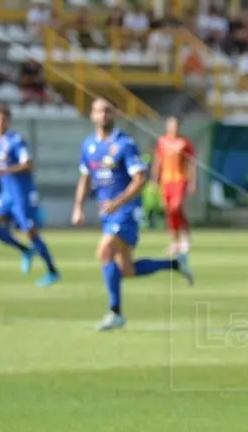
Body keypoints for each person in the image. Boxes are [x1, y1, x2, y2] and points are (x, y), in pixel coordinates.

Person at [73, 98, 193, 332]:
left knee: (104, 252)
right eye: (99, 110)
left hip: (127, 210)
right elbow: (85, 178)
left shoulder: (125, 144)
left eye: (108, 110)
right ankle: (174, 264)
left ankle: (115, 313)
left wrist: (117, 202)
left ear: (115, 114)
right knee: (126, 269)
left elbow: (140, 180)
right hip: (109, 213)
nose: (104, 114)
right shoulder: (88, 145)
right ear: (92, 115)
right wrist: (78, 206)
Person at [0, 103, 60, 286]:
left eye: (3, 120)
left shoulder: (16, 140)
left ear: (8, 121)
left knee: (30, 232)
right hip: (7, 194)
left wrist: (3, 171)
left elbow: (28, 164)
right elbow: (1, 166)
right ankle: (25, 251)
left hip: (22, 194)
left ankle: (52, 271)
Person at [151, 115, 196, 256]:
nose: (173, 128)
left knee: (176, 207)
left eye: (175, 125)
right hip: (166, 180)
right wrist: (154, 180)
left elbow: (192, 163)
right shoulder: (162, 141)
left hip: (180, 179)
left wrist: (193, 182)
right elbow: (157, 162)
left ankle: (185, 238)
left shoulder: (184, 143)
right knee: (170, 211)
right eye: (170, 125)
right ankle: (176, 241)